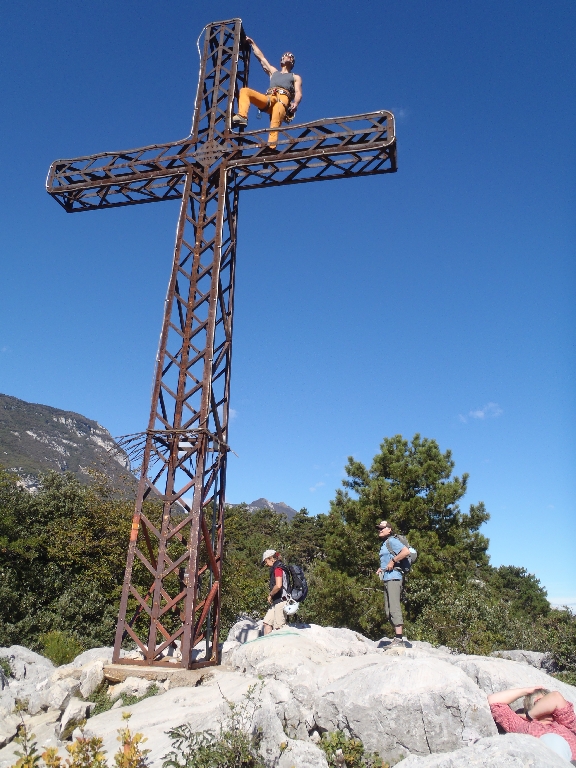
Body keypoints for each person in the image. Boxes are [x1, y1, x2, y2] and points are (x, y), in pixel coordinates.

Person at [232, 38, 303, 149]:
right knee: (244, 91)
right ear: (281, 60)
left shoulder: (295, 77)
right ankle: (242, 116)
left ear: (292, 62)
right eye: (286, 55)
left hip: (283, 100)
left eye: (291, 56)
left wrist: (296, 103)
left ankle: (271, 147)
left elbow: (298, 92)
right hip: (270, 97)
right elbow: (262, 58)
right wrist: (253, 44)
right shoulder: (273, 72)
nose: (288, 56)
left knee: (274, 123)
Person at [487, 686, 576, 761]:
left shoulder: (564, 722)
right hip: (544, 760)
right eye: (536, 702)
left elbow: (556, 697)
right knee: (552, 739)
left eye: (543, 700)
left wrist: (529, 715)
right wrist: (525, 691)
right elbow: (493, 701)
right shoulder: (520, 723)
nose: (539, 702)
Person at [375, 521, 411, 648]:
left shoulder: (392, 541)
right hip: (387, 577)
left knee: (394, 607)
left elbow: (406, 552)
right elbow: (387, 561)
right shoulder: (384, 543)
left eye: (382, 528)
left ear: (389, 529)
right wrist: (382, 568)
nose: (379, 530)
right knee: (388, 610)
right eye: (379, 528)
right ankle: (397, 638)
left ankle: (399, 639)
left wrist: (393, 561)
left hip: (394, 578)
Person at [261, 549, 289, 634]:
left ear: (270, 558)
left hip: (282, 601)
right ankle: (267, 645)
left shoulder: (278, 568)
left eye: (265, 561)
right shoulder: (277, 567)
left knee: (279, 628)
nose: (266, 564)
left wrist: (270, 595)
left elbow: (278, 585)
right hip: (277, 601)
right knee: (267, 623)